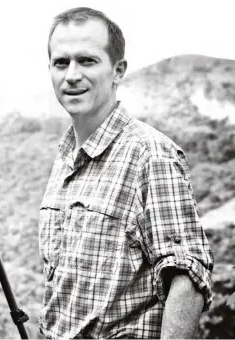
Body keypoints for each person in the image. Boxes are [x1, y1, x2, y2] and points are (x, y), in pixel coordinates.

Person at [39, 7, 214, 339]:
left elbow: (188, 273)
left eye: (87, 61)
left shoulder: (150, 153)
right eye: (61, 62)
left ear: (118, 70)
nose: (71, 75)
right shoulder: (65, 158)